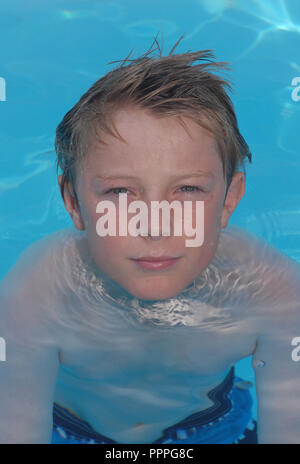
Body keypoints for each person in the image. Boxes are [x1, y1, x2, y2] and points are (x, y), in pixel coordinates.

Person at [1, 35, 300, 445]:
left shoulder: (272, 292)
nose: (156, 226)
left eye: (189, 190)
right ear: (73, 202)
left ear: (230, 199)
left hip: (215, 424)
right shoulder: (36, 295)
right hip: (70, 432)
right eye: (121, 193)